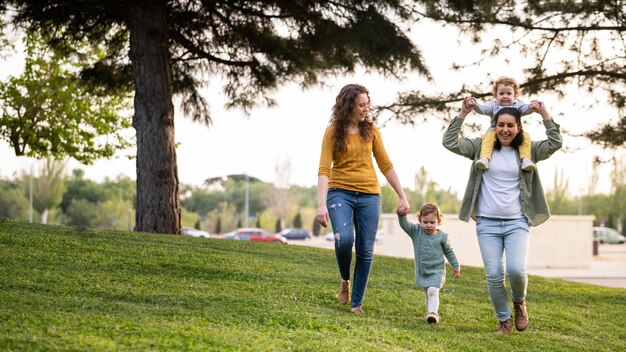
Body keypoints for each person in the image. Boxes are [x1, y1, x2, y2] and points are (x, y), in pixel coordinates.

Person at [442, 99, 562, 334]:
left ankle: (519, 303)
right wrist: (463, 113)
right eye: (500, 125)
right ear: (494, 126)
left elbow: (555, 142)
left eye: (510, 125)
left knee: (517, 270)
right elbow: (449, 142)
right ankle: (504, 320)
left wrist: (544, 113)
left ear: (519, 127)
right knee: (494, 275)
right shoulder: (480, 148)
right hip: (486, 223)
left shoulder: (529, 150)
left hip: (518, 222)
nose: (505, 130)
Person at [316, 83, 410, 315]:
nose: (366, 109)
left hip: (369, 195)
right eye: (361, 105)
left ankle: (356, 303)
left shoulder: (371, 130)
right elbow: (324, 168)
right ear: (348, 105)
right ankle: (345, 278)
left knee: (366, 250)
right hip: (340, 192)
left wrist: (402, 195)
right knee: (344, 239)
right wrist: (321, 204)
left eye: (367, 104)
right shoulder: (332, 131)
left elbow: (385, 164)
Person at [397, 203, 460, 324]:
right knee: (427, 293)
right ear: (420, 220)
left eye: (432, 222)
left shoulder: (442, 237)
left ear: (438, 221)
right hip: (422, 271)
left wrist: (455, 265)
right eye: (425, 222)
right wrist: (401, 215)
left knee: (432, 291)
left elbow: (449, 252)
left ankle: (433, 313)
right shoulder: (416, 232)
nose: (429, 225)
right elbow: (404, 224)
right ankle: (429, 313)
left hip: (437, 271)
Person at [465, 76, 540, 172]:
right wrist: (475, 105)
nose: (505, 96)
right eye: (501, 93)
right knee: (487, 139)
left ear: (515, 95)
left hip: (515, 133)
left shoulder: (517, 105)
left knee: (525, 137)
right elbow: (483, 109)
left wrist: (532, 107)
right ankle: (485, 158)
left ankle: (526, 159)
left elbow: (526, 109)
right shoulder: (493, 105)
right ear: (496, 95)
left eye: (509, 93)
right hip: (494, 130)